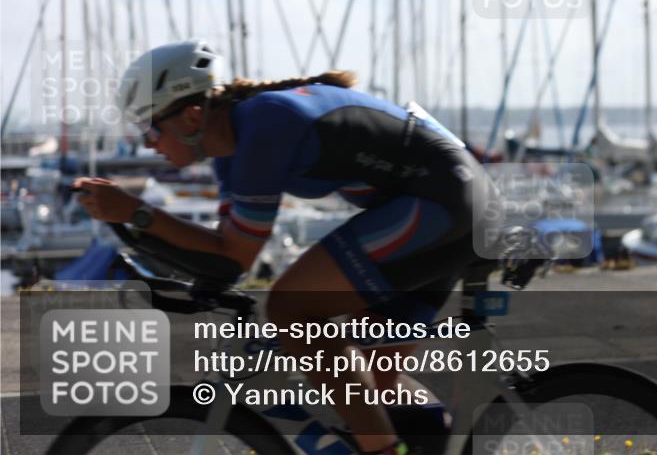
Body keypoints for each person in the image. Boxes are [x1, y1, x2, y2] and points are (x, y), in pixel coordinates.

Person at [74, 39, 497, 455]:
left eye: (150, 126)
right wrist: (136, 222)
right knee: (371, 386)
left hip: (443, 203)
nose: (148, 143)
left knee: (290, 307)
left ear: (191, 116)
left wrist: (137, 213)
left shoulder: (265, 126)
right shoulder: (234, 149)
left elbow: (235, 256)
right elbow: (222, 256)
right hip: (448, 203)